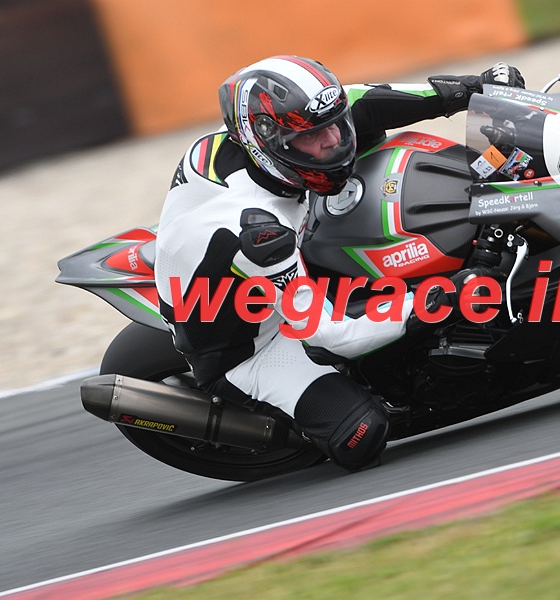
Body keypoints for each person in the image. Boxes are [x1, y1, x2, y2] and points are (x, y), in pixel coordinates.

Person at [154, 55, 525, 472]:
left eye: (333, 124)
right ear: (269, 142)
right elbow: (333, 334)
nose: (333, 140)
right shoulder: (257, 231)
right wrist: (449, 296)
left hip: (273, 256)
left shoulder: (271, 135)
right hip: (255, 343)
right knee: (363, 434)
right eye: (314, 135)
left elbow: (363, 100)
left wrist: (471, 88)